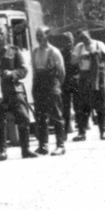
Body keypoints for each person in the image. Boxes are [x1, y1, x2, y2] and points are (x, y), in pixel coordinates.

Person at [0, 24, 34, 159]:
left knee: (23, 118)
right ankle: (3, 151)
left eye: (1, 34)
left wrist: (12, 73)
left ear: (6, 35)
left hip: (14, 90)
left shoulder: (14, 51)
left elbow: (24, 70)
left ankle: (26, 149)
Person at [30, 25, 67, 156]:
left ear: (47, 36)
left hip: (52, 86)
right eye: (37, 35)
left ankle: (60, 145)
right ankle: (43, 146)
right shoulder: (34, 52)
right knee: (41, 117)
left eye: (41, 35)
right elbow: (34, 71)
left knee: (57, 116)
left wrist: (56, 86)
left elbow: (62, 72)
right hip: (39, 86)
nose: (39, 38)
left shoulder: (54, 52)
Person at [71, 31, 105, 141]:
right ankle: (82, 133)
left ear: (89, 35)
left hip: (97, 76)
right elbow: (73, 61)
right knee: (83, 105)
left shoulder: (99, 44)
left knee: (100, 104)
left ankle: (103, 131)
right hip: (84, 76)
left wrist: (97, 54)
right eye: (81, 38)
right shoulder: (79, 47)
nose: (84, 40)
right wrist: (81, 56)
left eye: (85, 37)